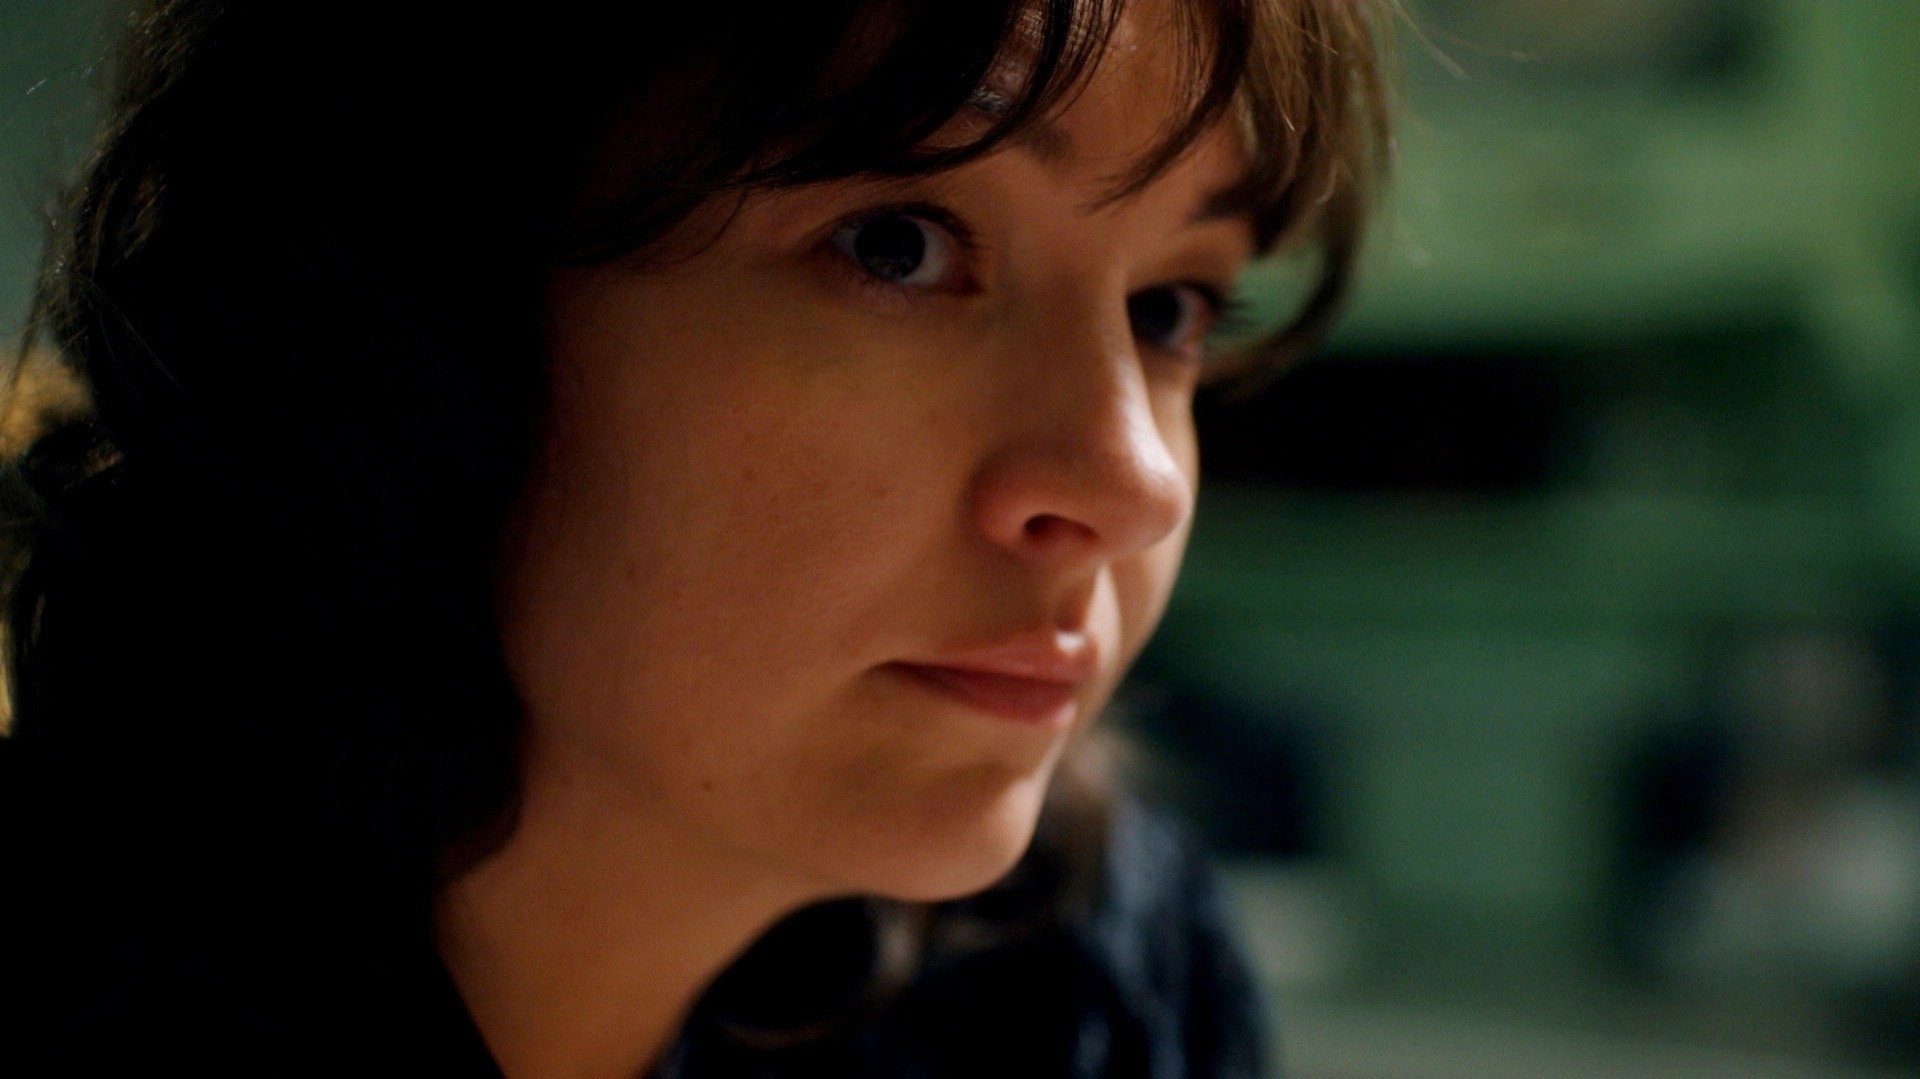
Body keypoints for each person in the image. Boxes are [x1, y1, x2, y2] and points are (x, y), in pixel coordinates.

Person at [0, 0, 1388, 1074]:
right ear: (404, 307)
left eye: (1169, 310)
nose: (1136, 483)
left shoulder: (1090, 983)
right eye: (897, 244)